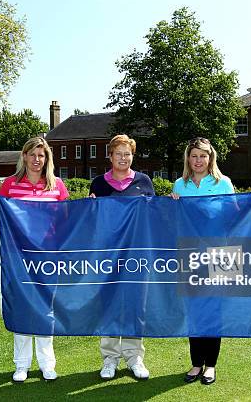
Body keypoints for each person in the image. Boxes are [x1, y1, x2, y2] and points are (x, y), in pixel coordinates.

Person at [0, 136, 69, 383]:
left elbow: (66, 221)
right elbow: (0, 221)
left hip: (47, 258)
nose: (37, 160)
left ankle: (47, 364)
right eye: (32, 154)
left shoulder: (57, 186)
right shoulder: (10, 185)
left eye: (41, 155)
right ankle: (21, 365)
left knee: (45, 310)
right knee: (21, 308)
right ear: (24, 156)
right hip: (18, 258)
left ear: (47, 159)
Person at [89, 134, 155, 380]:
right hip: (107, 256)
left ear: (132, 156)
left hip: (137, 255)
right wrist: (89, 208)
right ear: (110, 156)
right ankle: (110, 359)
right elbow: (93, 221)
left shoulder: (144, 182)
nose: (123, 158)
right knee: (109, 306)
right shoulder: (98, 184)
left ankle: (134, 357)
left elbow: (154, 215)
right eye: (119, 154)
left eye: (127, 154)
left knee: (135, 305)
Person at [170, 137, 234, 386]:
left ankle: (211, 366)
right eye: (194, 156)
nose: (198, 160)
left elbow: (235, 215)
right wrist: (172, 204)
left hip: (220, 254)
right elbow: (174, 221)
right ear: (188, 158)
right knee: (194, 311)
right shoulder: (180, 184)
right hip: (190, 253)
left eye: (203, 156)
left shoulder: (223, 183)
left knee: (214, 311)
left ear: (211, 158)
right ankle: (196, 363)